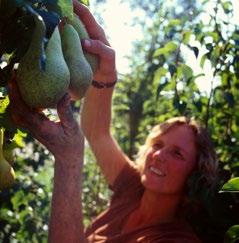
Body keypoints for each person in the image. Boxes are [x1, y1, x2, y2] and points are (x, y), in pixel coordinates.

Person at [8, 1, 218, 242]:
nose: (159, 155)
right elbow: (97, 133)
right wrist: (105, 73)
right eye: (158, 144)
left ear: (196, 175)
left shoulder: (176, 240)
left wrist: (69, 160)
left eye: (177, 154)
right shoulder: (134, 187)